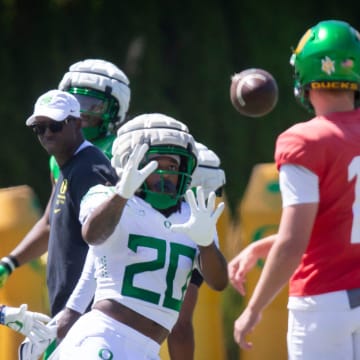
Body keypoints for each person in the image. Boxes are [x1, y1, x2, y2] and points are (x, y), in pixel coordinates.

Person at [231, 19, 360, 360]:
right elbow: (343, 224)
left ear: (304, 72)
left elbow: (293, 242)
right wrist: (262, 247)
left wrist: (254, 309)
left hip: (323, 304)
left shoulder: (303, 141)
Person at [56, 113, 228, 359]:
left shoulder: (194, 215)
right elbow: (92, 235)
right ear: (130, 163)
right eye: (156, 165)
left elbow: (219, 282)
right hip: (104, 336)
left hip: (147, 349)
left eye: (173, 166)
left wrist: (207, 242)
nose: (167, 174)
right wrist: (121, 194)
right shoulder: (106, 197)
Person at [0, 88, 118, 326]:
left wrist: (75, 313)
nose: (46, 134)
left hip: (87, 314)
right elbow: (49, 223)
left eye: (54, 126)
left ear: (76, 123)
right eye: (39, 128)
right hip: (71, 312)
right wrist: (9, 263)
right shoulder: (68, 165)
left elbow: (102, 244)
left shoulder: (90, 170)